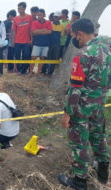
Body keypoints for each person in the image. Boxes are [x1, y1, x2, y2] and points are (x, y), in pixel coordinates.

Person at [59, 18, 110, 190]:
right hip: (99, 104)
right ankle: (103, 173)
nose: (75, 39)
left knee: (78, 142)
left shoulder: (82, 55)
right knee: (98, 137)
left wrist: (67, 114)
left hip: (81, 108)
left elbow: (75, 88)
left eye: (74, 35)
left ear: (79, 33)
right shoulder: (107, 50)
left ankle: (79, 181)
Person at [29, 9, 52, 77]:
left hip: (45, 44)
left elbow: (49, 32)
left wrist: (38, 31)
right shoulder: (34, 22)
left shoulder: (48, 22)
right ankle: (30, 72)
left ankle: (38, 72)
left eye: (41, 15)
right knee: (33, 58)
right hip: (37, 43)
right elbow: (34, 32)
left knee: (42, 58)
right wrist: (44, 30)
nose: (39, 16)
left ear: (44, 15)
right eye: (38, 15)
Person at [12, 2, 32, 74]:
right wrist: (13, 41)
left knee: (26, 56)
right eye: (18, 8)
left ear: (24, 8)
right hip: (17, 41)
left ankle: (24, 70)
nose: (19, 10)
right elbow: (14, 31)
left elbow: (30, 29)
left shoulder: (29, 17)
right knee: (17, 56)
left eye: (20, 8)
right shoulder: (16, 19)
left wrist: (31, 39)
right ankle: (18, 70)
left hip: (26, 41)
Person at [42, 11, 64, 76]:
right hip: (48, 44)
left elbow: (61, 35)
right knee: (46, 58)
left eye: (57, 17)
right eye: (55, 17)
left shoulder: (61, 26)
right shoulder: (49, 24)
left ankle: (50, 73)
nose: (55, 18)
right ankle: (43, 72)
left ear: (60, 18)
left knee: (54, 59)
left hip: (57, 45)